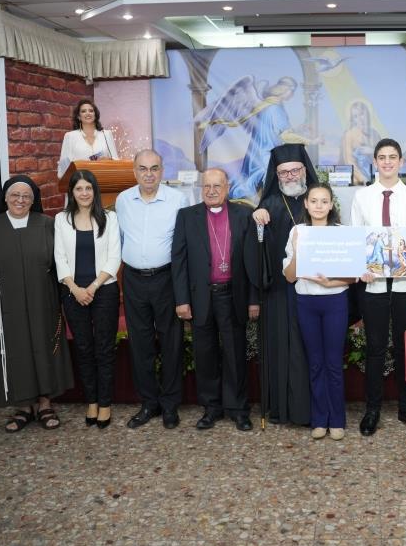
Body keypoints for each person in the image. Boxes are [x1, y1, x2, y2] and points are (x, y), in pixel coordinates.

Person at [0, 176, 74, 432]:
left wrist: (63, 300)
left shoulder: (47, 224)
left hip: (43, 299)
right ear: (5, 197)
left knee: (43, 347)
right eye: (15, 195)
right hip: (4, 301)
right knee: (15, 348)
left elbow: (61, 263)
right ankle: (23, 406)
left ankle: (45, 403)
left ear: (34, 200)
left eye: (26, 196)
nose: (20, 200)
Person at [350, 138, 406, 436]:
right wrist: (359, 268)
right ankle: (372, 409)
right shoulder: (362, 197)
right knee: (374, 349)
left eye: (392, 157)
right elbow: (356, 243)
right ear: (375, 162)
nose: (387, 162)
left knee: (405, 348)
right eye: (382, 157)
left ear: (400, 162)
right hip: (373, 288)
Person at [172, 168, 260, 432]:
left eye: (217, 186)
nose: (211, 191)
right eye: (207, 186)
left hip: (233, 295)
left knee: (235, 354)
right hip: (201, 296)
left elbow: (252, 262)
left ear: (227, 187)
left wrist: (253, 300)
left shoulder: (244, 215)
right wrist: (182, 300)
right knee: (205, 355)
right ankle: (211, 408)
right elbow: (179, 261)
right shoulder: (187, 216)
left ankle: (238, 409)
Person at [116, 150, 189, 429]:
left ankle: (170, 405)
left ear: (162, 171)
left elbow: (183, 245)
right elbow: (119, 239)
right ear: (134, 171)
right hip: (133, 280)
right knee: (140, 343)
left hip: (166, 278)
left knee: (171, 342)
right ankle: (149, 403)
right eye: (143, 169)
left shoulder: (178, 200)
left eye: (154, 168)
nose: (149, 174)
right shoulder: (123, 200)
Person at [250, 144, 319, 426]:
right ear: (276, 175)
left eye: (295, 170)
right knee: (282, 348)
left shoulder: (318, 199)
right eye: (284, 172)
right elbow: (258, 249)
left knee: (309, 348)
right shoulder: (269, 204)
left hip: (316, 288)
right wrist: (257, 220)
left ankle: (313, 409)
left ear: (304, 170)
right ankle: (281, 408)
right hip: (280, 291)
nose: (290, 176)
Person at [282, 183, 355, 440]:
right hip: (307, 302)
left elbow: (353, 275)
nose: (319, 206)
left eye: (324, 201)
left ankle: (337, 420)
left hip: (335, 302)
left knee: (333, 362)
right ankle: (319, 419)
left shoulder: (341, 232)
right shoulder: (297, 231)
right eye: (314, 201)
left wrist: (330, 283)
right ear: (306, 204)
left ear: (331, 204)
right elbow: (290, 277)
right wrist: (298, 250)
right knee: (315, 364)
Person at [54, 170, 122, 429]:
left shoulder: (109, 218)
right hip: (73, 292)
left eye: (88, 188)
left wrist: (92, 287)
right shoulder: (61, 219)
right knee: (83, 348)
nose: (84, 193)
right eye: (79, 188)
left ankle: (105, 403)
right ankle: (91, 401)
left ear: (95, 191)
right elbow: (59, 257)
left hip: (104, 290)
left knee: (104, 348)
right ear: (72, 192)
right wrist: (75, 288)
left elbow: (114, 257)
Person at [58, 99, 118, 178]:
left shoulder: (106, 134)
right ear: (78, 117)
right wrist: (79, 165)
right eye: (83, 111)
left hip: (104, 179)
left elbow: (117, 161)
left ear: (95, 115)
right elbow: (62, 169)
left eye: (91, 111)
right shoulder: (70, 136)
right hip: (81, 181)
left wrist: (109, 160)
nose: (88, 113)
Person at [341, 100, 379, 184]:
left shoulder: (375, 134)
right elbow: (349, 161)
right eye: (355, 116)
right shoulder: (349, 135)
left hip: (375, 176)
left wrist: (372, 151)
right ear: (352, 119)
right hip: (359, 179)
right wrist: (363, 179)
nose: (359, 119)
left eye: (361, 114)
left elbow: (382, 156)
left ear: (367, 114)